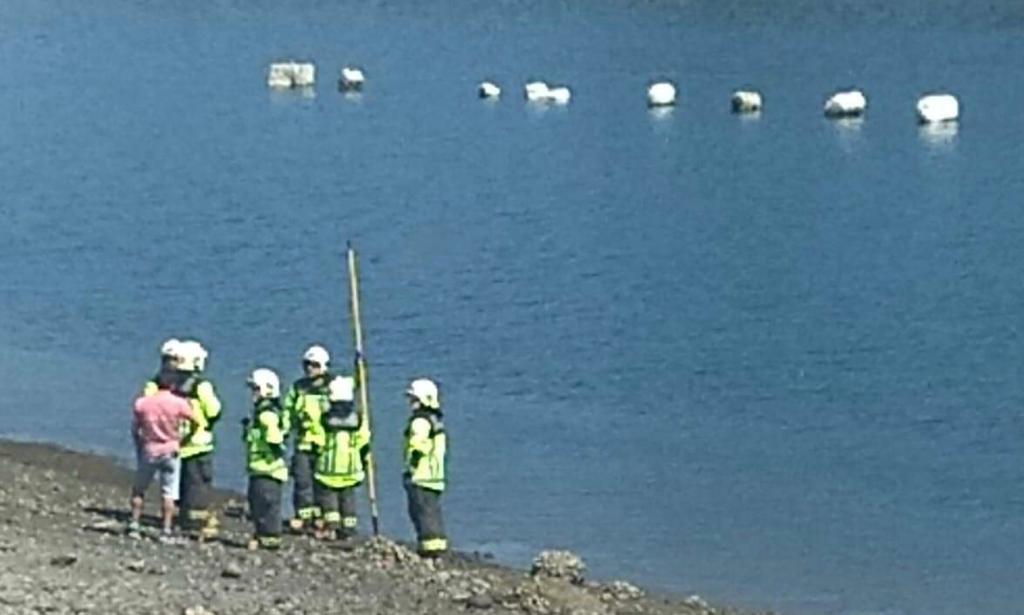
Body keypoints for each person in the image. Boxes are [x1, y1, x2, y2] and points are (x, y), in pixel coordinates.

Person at [129, 378, 196, 542]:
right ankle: (166, 530)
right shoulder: (178, 403)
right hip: (171, 449)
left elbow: (136, 428)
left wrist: (139, 443)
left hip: (150, 448)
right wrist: (185, 438)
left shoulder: (143, 403)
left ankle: (134, 524)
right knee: (169, 493)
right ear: (172, 385)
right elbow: (196, 421)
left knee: (139, 489)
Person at [313, 375, 370, 541]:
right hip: (350, 468)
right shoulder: (357, 419)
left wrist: (317, 452)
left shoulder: (325, 418)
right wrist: (363, 458)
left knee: (329, 499)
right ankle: (349, 528)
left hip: (329, 467)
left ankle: (332, 527)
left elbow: (318, 439)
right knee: (348, 498)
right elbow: (363, 440)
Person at [176, 339, 223, 540]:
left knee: (184, 483)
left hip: (180, 443)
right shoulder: (202, 386)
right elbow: (214, 410)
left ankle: (185, 517)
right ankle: (196, 521)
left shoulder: (173, 384)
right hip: (199, 444)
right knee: (199, 484)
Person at [283, 345, 332, 531]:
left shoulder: (332, 386)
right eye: (307, 365)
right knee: (302, 481)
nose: (310, 369)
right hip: (303, 443)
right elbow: (288, 411)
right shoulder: (299, 388)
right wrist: (283, 431)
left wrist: (360, 367)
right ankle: (303, 516)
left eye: (315, 365)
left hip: (325, 443)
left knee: (323, 483)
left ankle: (323, 517)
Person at [243, 368, 288, 550]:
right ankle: (262, 534)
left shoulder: (267, 414)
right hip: (258, 468)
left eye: (256, 389)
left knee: (267, 504)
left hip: (268, 469)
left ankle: (270, 537)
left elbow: (274, 438)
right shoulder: (260, 412)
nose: (253, 394)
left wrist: (274, 448)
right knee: (257, 503)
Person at [403, 378, 448, 556]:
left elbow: (418, 445)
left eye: (413, 399)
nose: (411, 403)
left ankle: (429, 549)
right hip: (434, 475)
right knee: (432, 512)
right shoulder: (436, 420)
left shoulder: (419, 422)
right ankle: (436, 545)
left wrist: (412, 466)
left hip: (421, 476)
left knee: (421, 512)